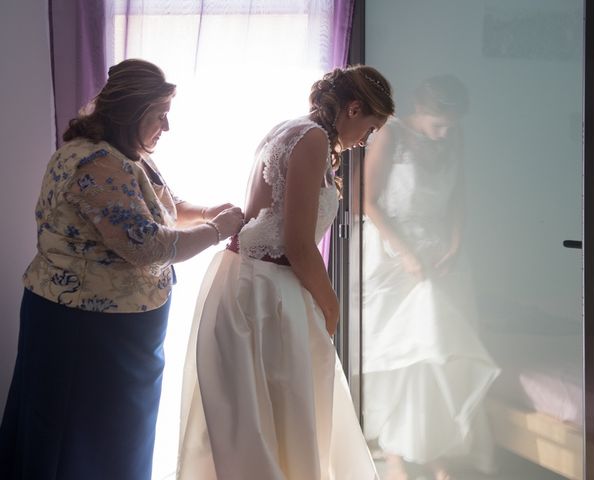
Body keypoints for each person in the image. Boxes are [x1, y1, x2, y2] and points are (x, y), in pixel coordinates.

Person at [0, 58, 244, 480]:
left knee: (115, 441)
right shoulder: (95, 163)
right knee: (80, 441)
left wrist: (207, 211)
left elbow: (161, 207)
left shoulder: (123, 154)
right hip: (84, 329)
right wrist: (218, 229)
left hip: (117, 332)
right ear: (132, 112)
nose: (166, 127)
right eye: (159, 115)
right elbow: (148, 245)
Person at [177, 65, 395, 480]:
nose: (366, 142)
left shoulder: (292, 129)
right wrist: (330, 306)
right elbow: (297, 245)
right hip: (266, 293)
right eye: (370, 129)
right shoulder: (311, 139)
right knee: (274, 416)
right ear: (353, 109)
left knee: (259, 418)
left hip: (247, 280)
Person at [360, 75, 500, 480]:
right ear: (419, 112)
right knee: (404, 356)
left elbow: (459, 197)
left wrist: (455, 244)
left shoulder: (453, 138)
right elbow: (368, 202)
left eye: (451, 125)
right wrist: (406, 254)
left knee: (440, 358)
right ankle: (396, 455)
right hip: (393, 253)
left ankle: (436, 451)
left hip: (440, 254)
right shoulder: (390, 136)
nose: (444, 132)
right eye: (438, 124)